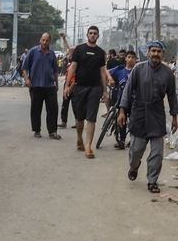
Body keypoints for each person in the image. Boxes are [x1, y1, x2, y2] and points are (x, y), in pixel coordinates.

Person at [118, 41, 178, 193]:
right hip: (139, 110)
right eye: (153, 51)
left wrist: (174, 117)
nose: (156, 54)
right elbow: (128, 90)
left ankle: (152, 181)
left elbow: (172, 96)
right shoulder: (138, 68)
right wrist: (122, 111)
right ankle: (134, 165)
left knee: (157, 152)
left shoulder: (167, 73)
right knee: (136, 149)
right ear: (148, 52)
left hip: (157, 112)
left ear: (163, 54)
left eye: (159, 51)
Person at [64, 26, 114, 158]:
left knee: (91, 117)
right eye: (90, 33)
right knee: (80, 117)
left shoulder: (100, 53)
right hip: (80, 87)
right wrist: (67, 85)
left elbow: (102, 71)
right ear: (87, 35)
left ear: (98, 36)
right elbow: (73, 67)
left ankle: (88, 147)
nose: (92, 35)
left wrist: (104, 90)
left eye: (95, 34)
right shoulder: (79, 50)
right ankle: (79, 137)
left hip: (95, 88)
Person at [21, 33, 62, 140]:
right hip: (36, 85)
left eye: (47, 40)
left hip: (49, 86)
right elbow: (24, 67)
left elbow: (55, 71)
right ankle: (36, 130)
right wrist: (27, 79)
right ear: (40, 40)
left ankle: (52, 131)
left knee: (53, 109)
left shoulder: (52, 53)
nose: (45, 42)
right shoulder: (33, 52)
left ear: (50, 41)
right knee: (36, 108)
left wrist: (56, 84)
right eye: (43, 40)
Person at [106, 49, 138, 149]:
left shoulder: (138, 70)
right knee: (121, 119)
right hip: (122, 98)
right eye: (129, 57)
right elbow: (107, 71)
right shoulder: (120, 69)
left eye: (133, 57)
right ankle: (122, 140)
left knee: (133, 120)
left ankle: (132, 140)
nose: (131, 59)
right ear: (125, 59)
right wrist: (110, 79)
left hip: (134, 99)